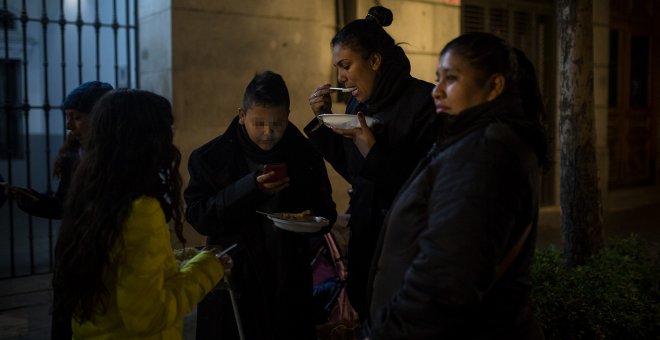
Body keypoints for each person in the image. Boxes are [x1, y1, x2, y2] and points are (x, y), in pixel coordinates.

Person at [365, 32, 549, 339]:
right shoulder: (472, 141)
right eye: (437, 78)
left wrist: (386, 333)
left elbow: (446, 279)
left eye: (451, 79)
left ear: (494, 87)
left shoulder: (485, 154)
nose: (436, 91)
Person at [52, 89, 231, 339]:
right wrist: (209, 268)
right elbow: (148, 316)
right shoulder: (140, 211)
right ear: (149, 140)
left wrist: (187, 258)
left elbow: (123, 271)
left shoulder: (94, 195)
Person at [304, 5, 439, 319]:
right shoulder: (357, 100)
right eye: (338, 67)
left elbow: (422, 192)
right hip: (365, 240)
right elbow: (357, 172)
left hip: (406, 247)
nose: (340, 77)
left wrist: (371, 148)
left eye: (346, 65)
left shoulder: (424, 104)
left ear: (375, 60)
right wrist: (322, 121)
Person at [185, 70, 338, 340]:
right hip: (235, 282)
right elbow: (199, 216)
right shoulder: (209, 158)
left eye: (277, 124)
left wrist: (310, 217)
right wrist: (249, 189)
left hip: (288, 284)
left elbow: (328, 213)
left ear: (288, 115)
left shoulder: (305, 154)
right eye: (259, 123)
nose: (268, 133)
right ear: (242, 115)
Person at [4, 81, 113, 219]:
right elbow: (64, 207)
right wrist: (36, 202)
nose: (68, 126)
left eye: (76, 117)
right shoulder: (73, 156)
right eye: (67, 117)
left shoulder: (125, 157)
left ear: (101, 118)